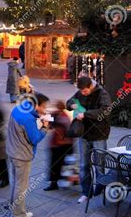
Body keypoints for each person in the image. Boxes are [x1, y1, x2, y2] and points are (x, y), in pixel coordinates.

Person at [6, 92, 50, 217]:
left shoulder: (18, 109)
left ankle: (16, 209)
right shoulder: (27, 119)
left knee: (16, 183)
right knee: (21, 187)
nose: (45, 110)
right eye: (43, 107)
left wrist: (38, 118)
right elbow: (35, 138)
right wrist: (44, 127)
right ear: (36, 105)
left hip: (12, 151)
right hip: (22, 156)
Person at [66, 76, 111, 204]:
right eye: (81, 91)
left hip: (99, 134)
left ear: (91, 86)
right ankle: (86, 192)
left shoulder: (102, 94)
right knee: (84, 165)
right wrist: (72, 104)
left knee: (99, 166)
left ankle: (99, 190)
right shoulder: (80, 92)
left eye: (85, 91)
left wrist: (86, 114)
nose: (83, 93)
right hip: (84, 134)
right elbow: (69, 102)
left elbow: (106, 110)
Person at [44, 100, 73, 191]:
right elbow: (48, 124)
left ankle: (58, 182)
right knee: (57, 165)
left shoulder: (64, 118)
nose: (56, 108)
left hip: (62, 145)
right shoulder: (57, 114)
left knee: (58, 165)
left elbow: (65, 132)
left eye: (57, 106)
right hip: (57, 145)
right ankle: (56, 182)